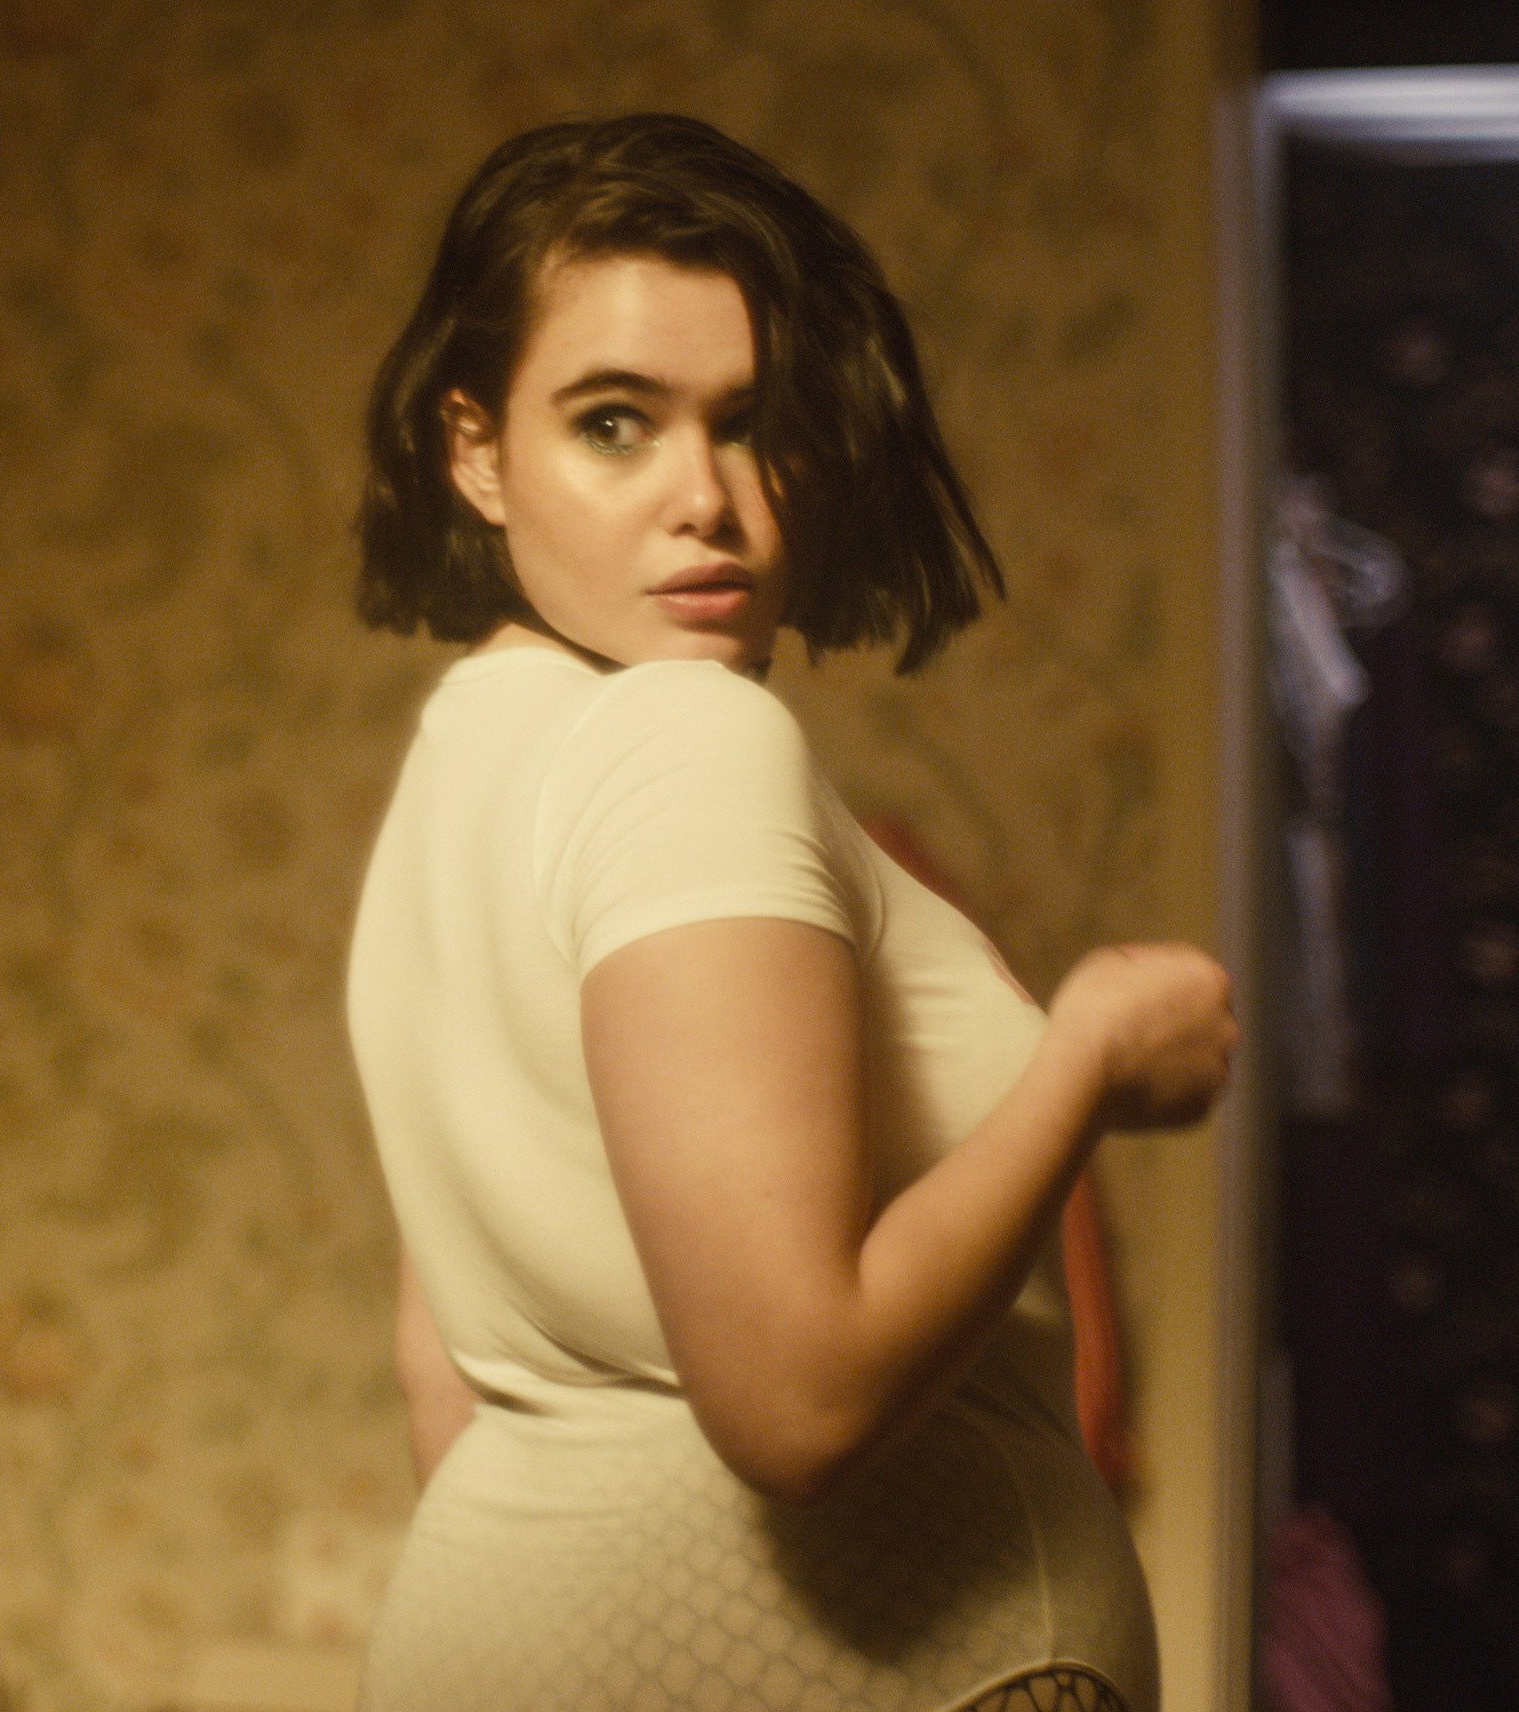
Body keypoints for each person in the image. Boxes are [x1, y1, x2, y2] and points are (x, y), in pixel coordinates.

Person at [343, 113, 1239, 1712]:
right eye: (613, 424)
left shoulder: (459, 761)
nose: (707, 498)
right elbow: (799, 1407)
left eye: (754, 426)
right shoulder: (691, 738)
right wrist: (1087, 1059)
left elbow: (447, 1376)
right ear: (475, 450)